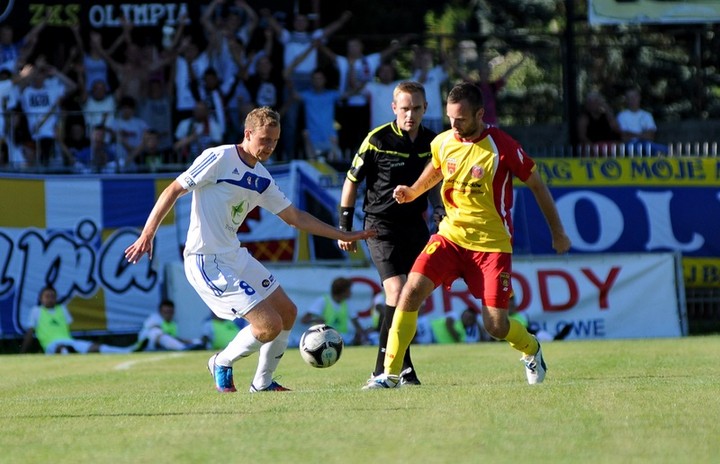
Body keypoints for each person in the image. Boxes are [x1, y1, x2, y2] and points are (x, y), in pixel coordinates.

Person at [124, 107, 375, 393]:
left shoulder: (263, 179)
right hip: (205, 260)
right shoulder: (218, 158)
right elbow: (173, 190)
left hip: (235, 256)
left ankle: (263, 383)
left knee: (288, 312)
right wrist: (148, 233)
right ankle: (221, 361)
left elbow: (295, 218)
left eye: (275, 141)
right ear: (248, 134)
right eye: (264, 139)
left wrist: (342, 233)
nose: (269, 147)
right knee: (268, 325)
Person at [366, 82, 572, 389]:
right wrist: (412, 191)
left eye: (461, 119)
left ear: (479, 113)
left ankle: (532, 349)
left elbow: (538, 185)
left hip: (491, 247)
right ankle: (390, 375)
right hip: (449, 238)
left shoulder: (502, 147)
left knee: (496, 326)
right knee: (409, 293)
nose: (454, 125)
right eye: (450, 118)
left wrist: (558, 232)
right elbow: (435, 170)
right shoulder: (443, 141)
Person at [338, 81, 440, 388]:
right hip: (379, 227)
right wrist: (345, 227)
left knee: (410, 298)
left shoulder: (432, 142)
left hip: (415, 226)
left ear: (425, 109)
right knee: (396, 291)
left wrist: (438, 210)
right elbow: (351, 181)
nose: (410, 114)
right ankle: (381, 370)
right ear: (394, 108)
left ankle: (404, 369)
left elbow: (432, 182)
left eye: (416, 108)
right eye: (404, 108)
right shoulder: (377, 139)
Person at [20, 286, 144, 355]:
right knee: (61, 348)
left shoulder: (61, 309)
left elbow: (66, 327)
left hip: (69, 341)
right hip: (51, 345)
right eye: (47, 296)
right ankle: (69, 357)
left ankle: (128, 351)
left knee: (95, 347)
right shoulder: (36, 311)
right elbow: (30, 332)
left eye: (53, 296)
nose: (50, 299)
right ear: (41, 298)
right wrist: (23, 352)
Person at [303, 277, 366, 346]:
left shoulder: (347, 304)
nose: (351, 293)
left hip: (341, 339)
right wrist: (316, 320)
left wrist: (360, 335)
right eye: (349, 290)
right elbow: (304, 320)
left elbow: (357, 325)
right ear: (342, 292)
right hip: (323, 338)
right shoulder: (323, 301)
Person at [616, 88, 667, 156]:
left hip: (647, 143)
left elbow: (650, 135)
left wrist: (634, 135)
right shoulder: (621, 116)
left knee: (665, 150)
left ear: (639, 98)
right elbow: (624, 135)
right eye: (630, 98)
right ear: (626, 100)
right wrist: (642, 135)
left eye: (634, 97)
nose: (633, 100)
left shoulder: (647, 115)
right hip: (630, 144)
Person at [137, 300, 204, 351]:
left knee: (170, 338)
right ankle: (183, 347)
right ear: (160, 312)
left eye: (170, 312)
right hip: (147, 346)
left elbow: (174, 337)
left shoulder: (173, 324)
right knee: (156, 332)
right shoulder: (154, 318)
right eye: (165, 312)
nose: (168, 314)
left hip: (163, 346)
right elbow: (155, 333)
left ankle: (193, 343)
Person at [577, 90, 621, 155]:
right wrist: (592, 146)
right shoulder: (584, 118)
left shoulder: (606, 116)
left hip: (608, 144)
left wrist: (608, 111)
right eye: (591, 102)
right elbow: (582, 136)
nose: (594, 104)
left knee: (619, 145)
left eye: (596, 102)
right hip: (592, 145)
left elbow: (617, 129)